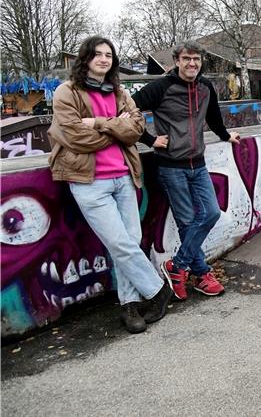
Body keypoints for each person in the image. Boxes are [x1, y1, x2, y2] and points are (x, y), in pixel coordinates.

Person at [48, 36, 171, 334]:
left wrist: (100, 123)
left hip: (124, 177)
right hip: (89, 182)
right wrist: (118, 126)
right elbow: (75, 136)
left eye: (108, 55)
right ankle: (158, 290)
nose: (103, 59)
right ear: (86, 58)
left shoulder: (117, 91)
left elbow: (137, 128)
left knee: (128, 242)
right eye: (97, 54)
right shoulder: (67, 92)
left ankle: (129, 306)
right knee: (119, 242)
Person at [133, 41, 241, 300]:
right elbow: (127, 109)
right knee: (187, 222)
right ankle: (202, 274)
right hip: (171, 166)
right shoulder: (161, 87)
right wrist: (149, 140)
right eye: (187, 59)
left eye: (196, 59)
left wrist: (225, 135)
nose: (192, 63)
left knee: (211, 213)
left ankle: (176, 266)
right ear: (177, 61)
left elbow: (213, 116)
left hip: (198, 163)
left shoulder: (205, 87)